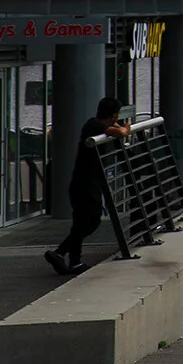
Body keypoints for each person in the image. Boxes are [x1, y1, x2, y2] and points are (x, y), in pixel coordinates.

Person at [45, 97, 130, 276]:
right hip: (84, 184)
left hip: (88, 183)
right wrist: (125, 129)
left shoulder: (94, 125)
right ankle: (63, 254)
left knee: (84, 223)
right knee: (88, 222)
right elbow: (120, 133)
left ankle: (68, 258)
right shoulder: (94, 127)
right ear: (114, 115)